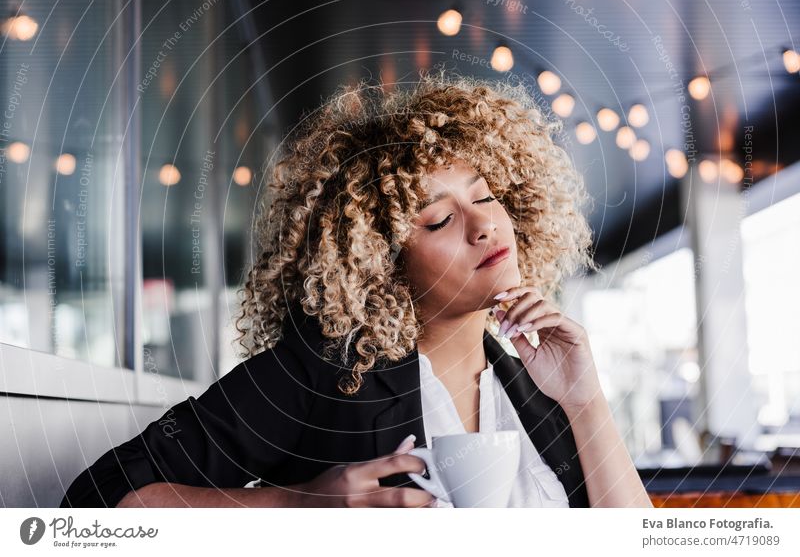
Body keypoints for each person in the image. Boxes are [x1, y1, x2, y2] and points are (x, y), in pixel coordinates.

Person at [60, 70, 652, 508]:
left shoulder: (535, 383)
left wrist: (585, 401)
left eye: (486, 196)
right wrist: (300, 505)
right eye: (439, 219)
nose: (484, 225)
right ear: (381, 262)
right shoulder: (319, 377)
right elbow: (96, 502)